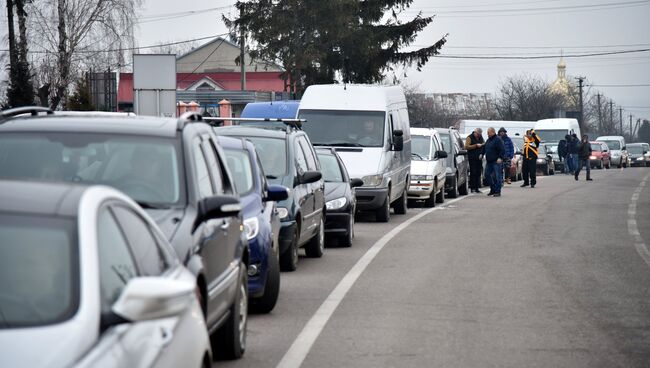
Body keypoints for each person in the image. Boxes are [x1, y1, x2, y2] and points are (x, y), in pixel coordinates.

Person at [484, 127, 505, 197]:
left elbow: (502, 149)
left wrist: (500, 157)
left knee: (497, 176)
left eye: (488, 133)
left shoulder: (498, 139)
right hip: (489, 161)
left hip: (496, 161)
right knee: (487, 175)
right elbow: (485, 148)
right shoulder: (488, 140)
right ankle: (492, 189)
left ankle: (497, 191)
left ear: (492, 132)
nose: (487, 134)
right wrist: (481, 153)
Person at [465, 128, 485, 193]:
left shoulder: (480, 138)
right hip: (472, 158)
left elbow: (484, 144)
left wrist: (482, 153)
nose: (479, 135)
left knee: (478, 173)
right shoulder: (469, 137)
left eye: (480, 134)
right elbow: (466, 146)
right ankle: (472, 188)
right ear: (475, 133)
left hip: (479, 158)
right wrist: (475, 145)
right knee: (473, 172)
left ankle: (477, 187)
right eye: (478, 134)